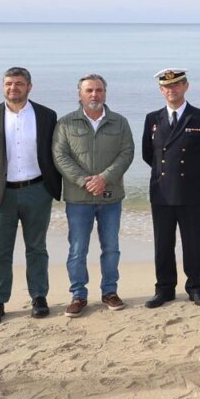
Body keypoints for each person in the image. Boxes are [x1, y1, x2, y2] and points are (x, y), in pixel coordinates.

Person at [0, 67, 62, 325]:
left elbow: (57, 154)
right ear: (3, 86)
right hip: (1, 195)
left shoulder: (47, 115)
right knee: (0, 252)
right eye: (9, 83)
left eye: (19, 83)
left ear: (29, 87)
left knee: (37, 248)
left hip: (37, 191)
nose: (13, 88)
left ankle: (39, 297)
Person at [52, 73, 135, 317]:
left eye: (99, 90)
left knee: (111, 247)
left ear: (105, 93)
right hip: (78, 199)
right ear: (80, 94)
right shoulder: (65, 123)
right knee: (78, 249)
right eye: (89, 90)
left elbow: (127, 153)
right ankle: (78, 295)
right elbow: (60, 156)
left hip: (111, 196)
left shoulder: (120, 122)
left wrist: (104, 178)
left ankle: (110, 292)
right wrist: (84, 181)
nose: (94, 95)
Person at [142, 69, 200, 308]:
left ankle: (196, 288)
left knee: (194, 243)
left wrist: (193, 172)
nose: (171, 90)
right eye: (167, 86)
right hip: (162, 191)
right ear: (161, 90)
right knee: (163, 244)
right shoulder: (152, 118)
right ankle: (164, 289)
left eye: (176, 84)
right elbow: (148, 154)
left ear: (186, 86)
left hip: (193, 190)